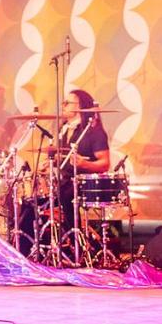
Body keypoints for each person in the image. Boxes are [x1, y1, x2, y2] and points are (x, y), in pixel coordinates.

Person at [56, 88, 111, 240]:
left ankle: (74, 242)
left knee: (65, 195)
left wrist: (83, 164)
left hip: (84, 185)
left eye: (67, 103)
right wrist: (51, 163)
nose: (63, 106)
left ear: (80, 106)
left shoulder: (93, 131)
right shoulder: (64, 130)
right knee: (33, 201)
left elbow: (105, 164)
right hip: (65, 182)